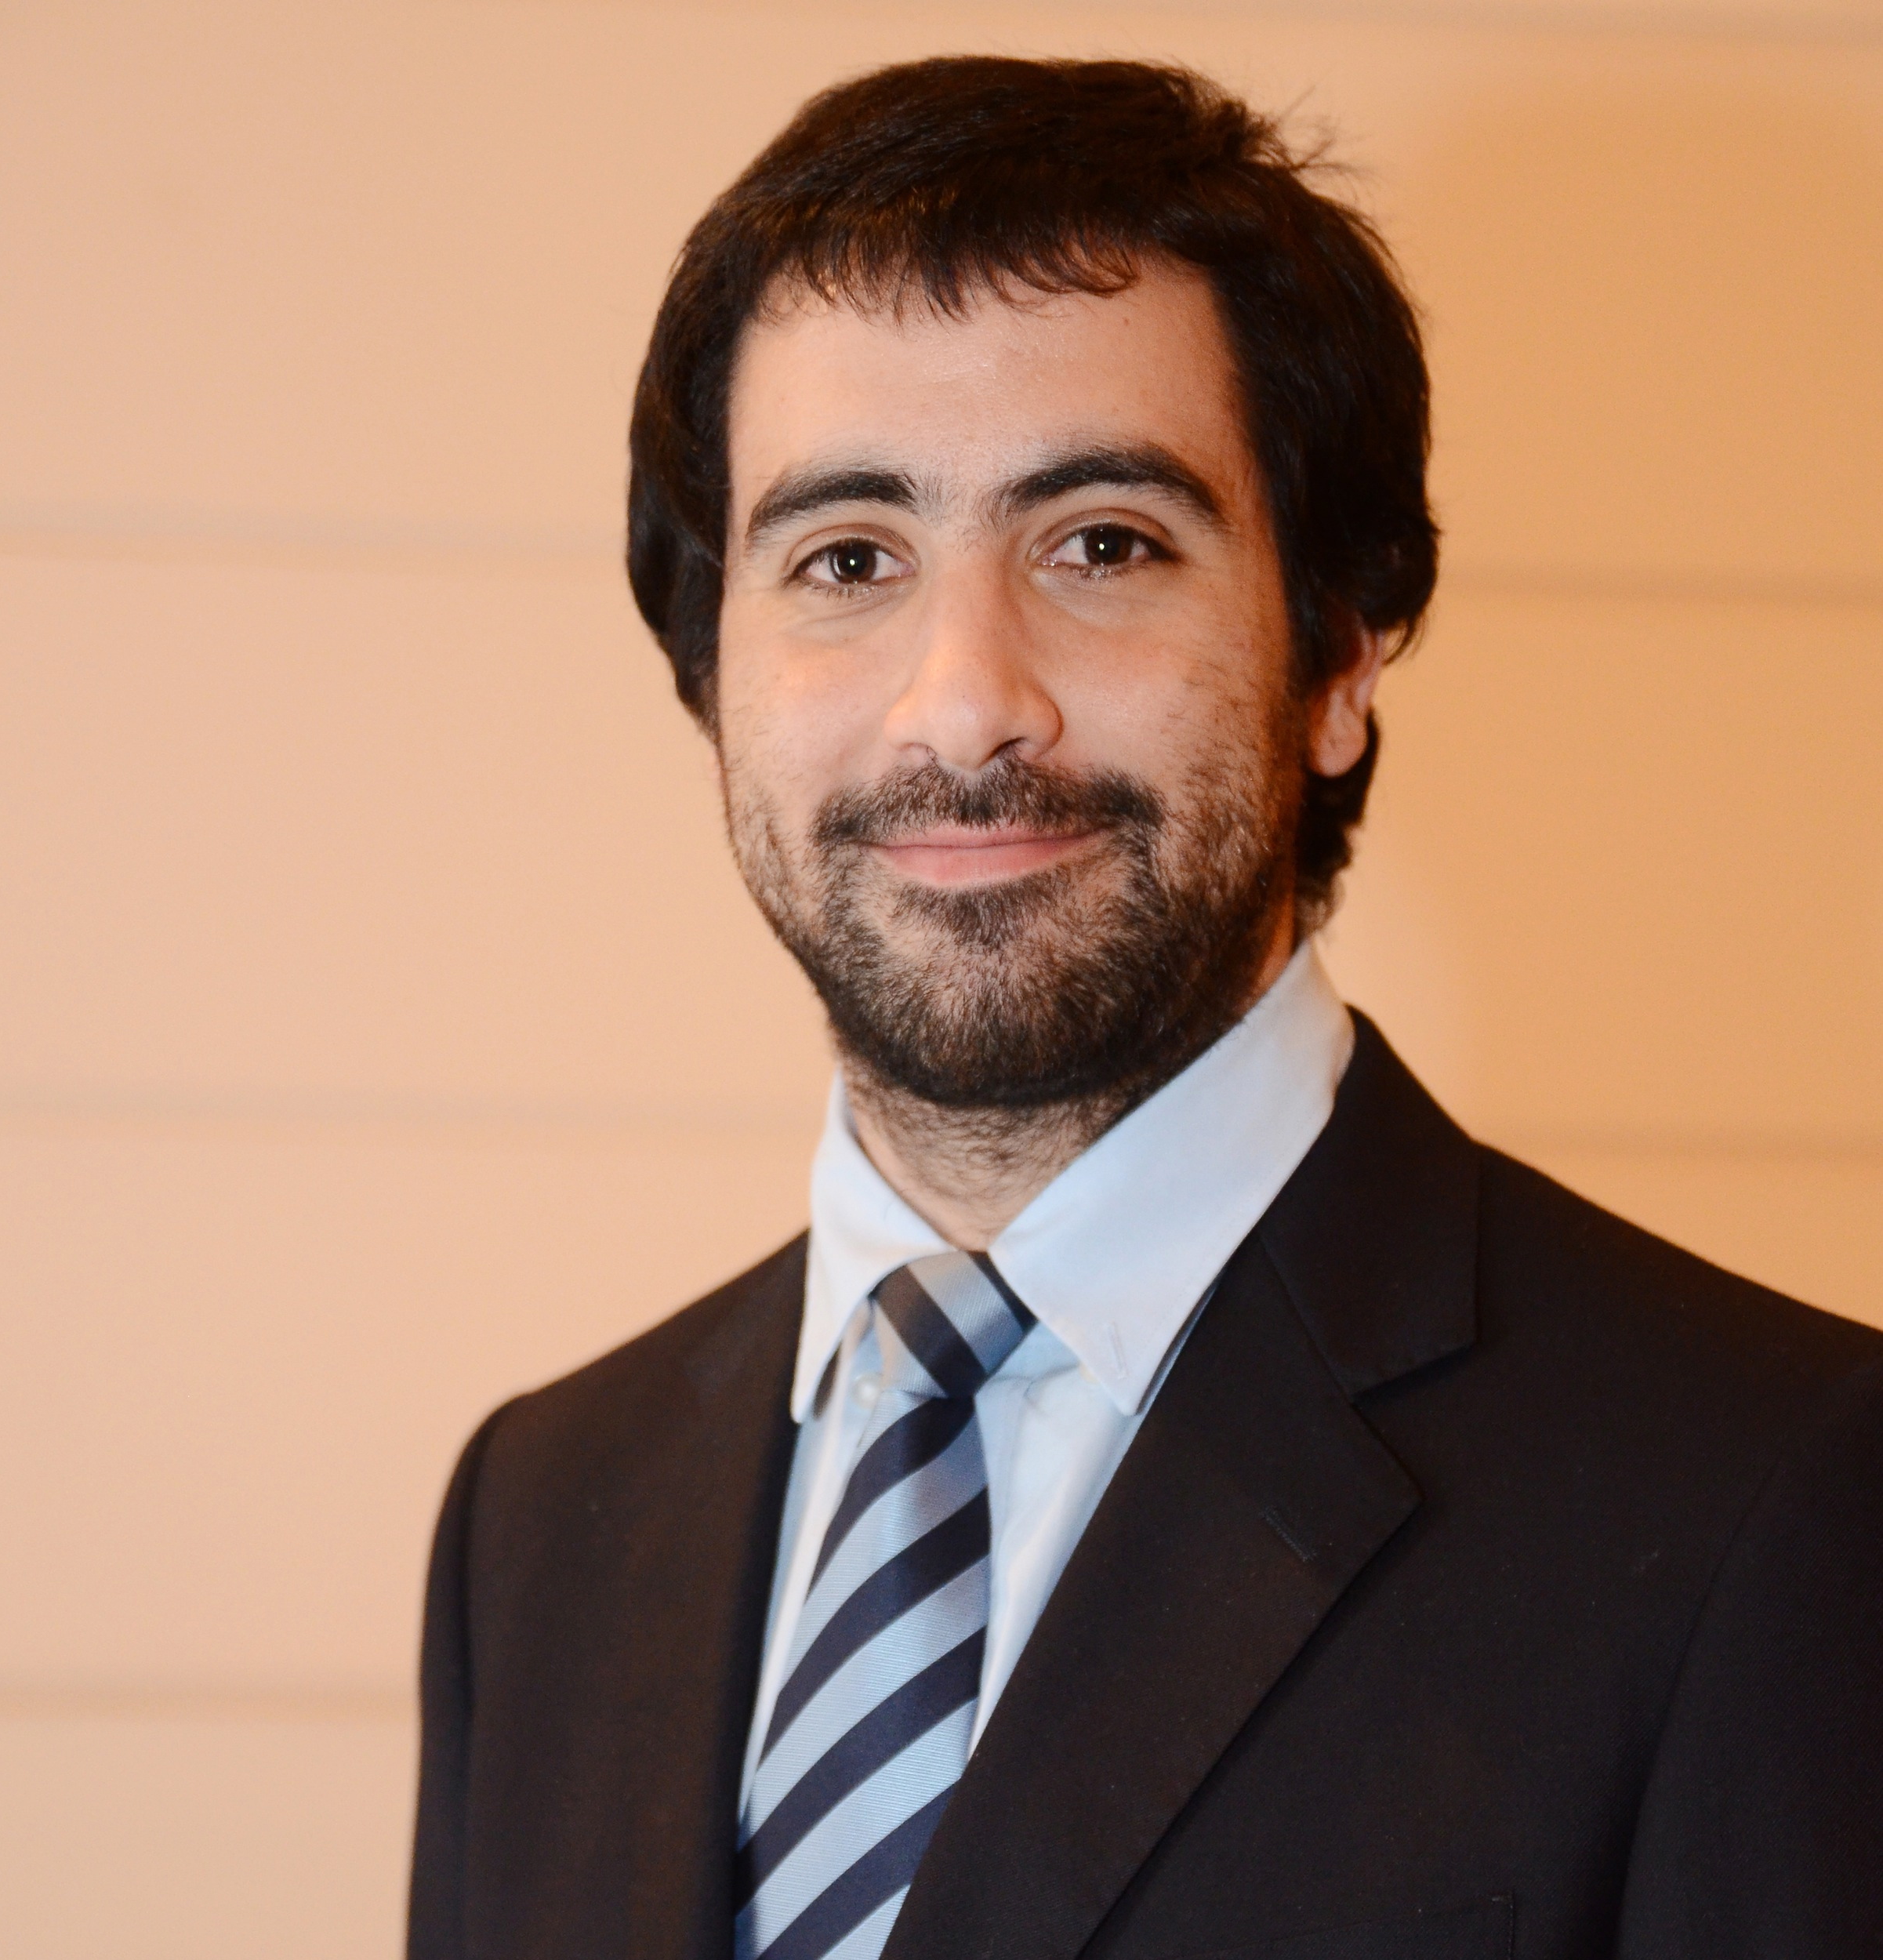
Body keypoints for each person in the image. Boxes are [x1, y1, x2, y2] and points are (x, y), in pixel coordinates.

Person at [407, 56, 1882, 1960]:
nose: (963, 700)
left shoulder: (1776, 1495)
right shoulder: (539, 1515)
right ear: (708, 672)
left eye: (1100, 541)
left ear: (1335, 654)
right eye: (846, 559)